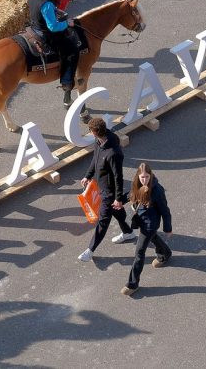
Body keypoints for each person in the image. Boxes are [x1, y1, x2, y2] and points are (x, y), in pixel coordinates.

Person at [77, 118, 135, 262]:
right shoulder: (99, 141)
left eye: (90, 130)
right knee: (118, 212)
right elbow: (95, 159)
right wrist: (88, 175)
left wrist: (118, 198)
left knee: (103, 221)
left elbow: (118, 177)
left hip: (109, 193)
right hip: (100, 187)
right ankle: (128, 233)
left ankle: (90, 250)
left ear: (94, 132)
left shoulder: (113, 153)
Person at [122, 162, 173, 296]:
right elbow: (130, 195)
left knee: (139, 252)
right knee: (153, 237)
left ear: (150, 175)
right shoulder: (136, 184)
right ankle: (165, 253)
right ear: (138, 176)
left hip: (150, 225)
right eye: (142, 177)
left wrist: (168, 228)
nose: (144, 180)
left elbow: (165, 211)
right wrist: (119, 201)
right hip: (141, 220)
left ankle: (132, 284)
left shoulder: (157, 190)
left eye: (147, 177)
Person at [27, 0, 80, 92]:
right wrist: (67, 23)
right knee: (72, 51)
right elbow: (53, 27)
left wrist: (54, 7)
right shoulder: (47, 4)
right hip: (44, 34)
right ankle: (67, 82)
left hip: (33, 26)